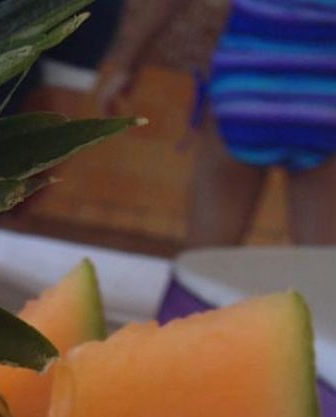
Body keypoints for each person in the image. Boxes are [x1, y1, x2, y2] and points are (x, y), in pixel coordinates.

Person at [96, 0, 336, 246]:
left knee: (203, 265)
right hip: (325, 99)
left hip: (243, 88)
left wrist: (126, 64)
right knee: (320, 270)